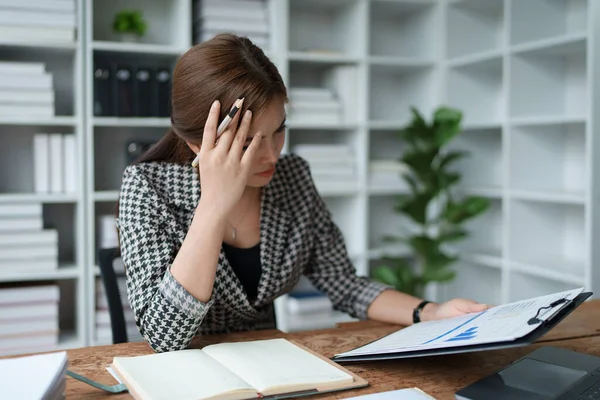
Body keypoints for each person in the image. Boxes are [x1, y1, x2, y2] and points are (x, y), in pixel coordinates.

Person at [116, 33, 488, 353]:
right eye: (247, 142)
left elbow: (342, 282)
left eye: (280, 129)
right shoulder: (148, 188)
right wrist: (213, 205)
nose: (271, 153)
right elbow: (164, 336)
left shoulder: (291, 177)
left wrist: (431, 312)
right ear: (197, 144)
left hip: (272, 366)